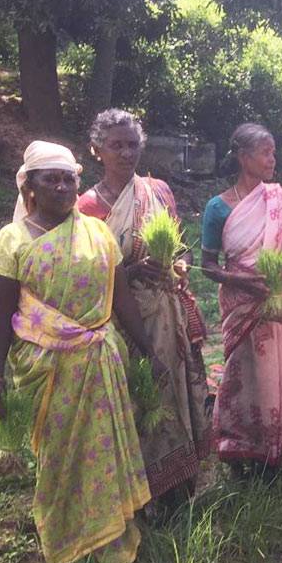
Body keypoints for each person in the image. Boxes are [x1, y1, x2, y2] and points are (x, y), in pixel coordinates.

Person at [0, 141, 165, 563]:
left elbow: (122, 302)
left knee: (104, 453)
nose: (64, 187)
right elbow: (0, 314)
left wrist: (147, 351)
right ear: (30, 185)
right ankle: (67, 541)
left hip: (100, 362)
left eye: (70, 179)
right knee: (59, 459)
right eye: (53, 178)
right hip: (46, 367)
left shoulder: (98, 233)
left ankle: (111, 538)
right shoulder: (11, 240)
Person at [77, 109, 210, 510]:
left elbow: (178, 246)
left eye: (132, 144)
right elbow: (87, 277)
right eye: (115, 145)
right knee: (136, 399)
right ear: (96, 150)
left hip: (167, 314)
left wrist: (177, 263)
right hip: (121, 320)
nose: (125, 153)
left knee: (173, 396)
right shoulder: (87, 207)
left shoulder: (158, 191)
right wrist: (131, 270)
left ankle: (178, 488)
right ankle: (137, 497)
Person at [200, 123, 282, 475]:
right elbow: (207, 265)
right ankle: (241, 443)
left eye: (273, 151)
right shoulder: (217, 208)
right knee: (243, 369)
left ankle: (280, 441)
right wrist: (245, 281)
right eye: (266, 151)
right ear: (243, 156)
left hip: (280, 300)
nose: (273, 158)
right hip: (241, 302)